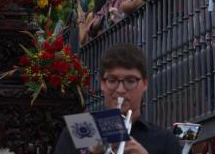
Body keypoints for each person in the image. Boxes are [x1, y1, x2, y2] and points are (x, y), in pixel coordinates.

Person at [52, 43, 181, 153]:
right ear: (102, 84)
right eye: (112, 80)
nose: (120, 90)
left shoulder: (165, 141)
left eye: (130, 81)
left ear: (145, 84)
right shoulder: (80, 129)